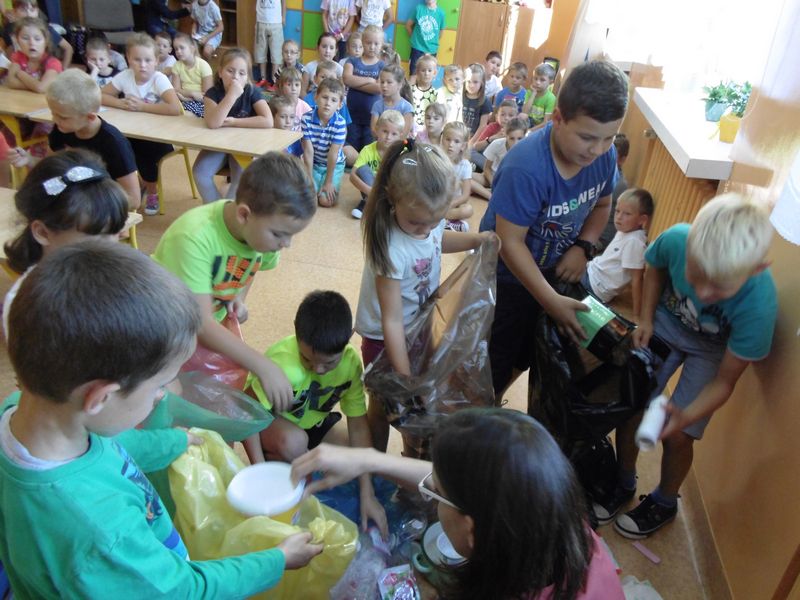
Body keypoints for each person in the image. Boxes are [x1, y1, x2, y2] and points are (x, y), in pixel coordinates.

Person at [0, 240, 323, 598]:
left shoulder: (23, 411)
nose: (162, 396)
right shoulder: (102, 531)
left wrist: (176, 440)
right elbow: (183, 590)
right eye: (158, 387)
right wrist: (276, 560)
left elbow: (113, 446)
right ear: (100, 397)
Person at [292, 408, 625, 600]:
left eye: (437, 494)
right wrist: (367, 459)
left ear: (473, 531)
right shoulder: (550, 516)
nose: (431, 491)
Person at [593, 193, 777, 539]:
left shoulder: (759, 308)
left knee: (680, 435)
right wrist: (647, 318)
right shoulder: (676, 239)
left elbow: (724, 382)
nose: (704, 294)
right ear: (689, 244)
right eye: (696, 276)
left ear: (755, 270)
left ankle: (664, 501)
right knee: (632, 404)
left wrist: (685, 416)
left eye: (720, 287)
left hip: (713, 349)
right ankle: (622, 480)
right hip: (667, 321)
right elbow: (655, 269)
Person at [479, 59, 629, 400]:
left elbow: (602, 205)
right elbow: (510, 243)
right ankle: (484, 407)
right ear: (557, 118)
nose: (598, 150)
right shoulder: (525, 167)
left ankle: (494, 398)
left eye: (609, 138)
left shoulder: (603, 157)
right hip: (505, 276)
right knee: (495, 355)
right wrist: (551, 301)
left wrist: (583, 246)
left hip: (554, 270)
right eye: (588, 137)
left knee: (527, 353)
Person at [152, 153, 317, 436]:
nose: (287, 244)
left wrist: (237, 296)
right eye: (280, 234)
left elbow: (251, 266)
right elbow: (201, 325)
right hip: (159, 335)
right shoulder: (194, 237)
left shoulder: (260, 237)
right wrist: (263, 365)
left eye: (292, 235)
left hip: (193, 333)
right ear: (244, 214)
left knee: (206, 416)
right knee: (167, 411)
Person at [355, 139, 490, 452]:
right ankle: (375, 462)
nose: (425, 229)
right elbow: (391, 320)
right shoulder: (391, 247)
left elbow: (438, 239)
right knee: (384, 405)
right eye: (416, 223)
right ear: (392, 199)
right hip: (383, 339)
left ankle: (410, 455)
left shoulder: (428, 219)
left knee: (414, 407)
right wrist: (405, 378)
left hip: (417, 326)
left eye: (435, 220)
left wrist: (477, 239)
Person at [244, 290, 388, 535]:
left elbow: (357, 425)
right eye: (307, 359)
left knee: (354, 453)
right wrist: (259, 472)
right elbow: (247, 413)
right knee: (294, 442)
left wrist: (368, 493)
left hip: (315, 420)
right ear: (297, 334)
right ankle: (277, 459)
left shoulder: (350, 363)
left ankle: (303, 460)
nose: (318, 370)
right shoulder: (283, 364)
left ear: (348, 339)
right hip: (276, 424)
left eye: (329, 363)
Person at [2, 149, 128, 337]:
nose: (111, 247)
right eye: (97, 238)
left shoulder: (109, 275)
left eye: (115, 232)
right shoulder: (31, 307)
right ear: (43, 233)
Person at [8, 70, 141, 210]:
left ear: (90, 117)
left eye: (63, 117)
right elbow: (51, 167)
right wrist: (29, 159)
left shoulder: (114, 144)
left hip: (101, 209)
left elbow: (134, 200)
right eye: (53, 113)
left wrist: (85, 200)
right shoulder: (62, 129)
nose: (55, 120)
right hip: (73, 203)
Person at [101, 33, 183, 216]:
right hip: (132, 133)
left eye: (148, 60)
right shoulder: (125, 76)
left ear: (156, 61)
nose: (142, 65)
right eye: (137, 60)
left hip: (160, 138)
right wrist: (120, 103)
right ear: (128, 59)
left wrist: (143, 107)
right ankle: (126, 188)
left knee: (145, 151)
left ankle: (152, 190)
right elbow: (100, 95)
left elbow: (175, 108)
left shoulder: (159, 79)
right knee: (114, 146)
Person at [193, 47, 272, 203]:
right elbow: (213, 123)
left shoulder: (252, 91)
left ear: (247, 77)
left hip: (243, 146)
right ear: (220, 72)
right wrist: (231, 95)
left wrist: (235, 122)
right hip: (218, 145)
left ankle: (228, 211)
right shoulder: (212, 93)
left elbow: (268, 120)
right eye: (230, 71)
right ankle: (216, 209)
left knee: (241, 178)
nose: (235, 77)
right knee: (200, 172)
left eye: (242, 73)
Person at [582, 188, 654, 318]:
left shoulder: (634, 242)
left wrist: (637, 315)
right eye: (617, 211)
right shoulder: (626, 230)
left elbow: (637, 279)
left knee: (556, 280)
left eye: (627, 214)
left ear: (642, 219)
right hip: (592, 272)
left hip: (595, 286)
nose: (619, 217)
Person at [301, 78, 347, 207]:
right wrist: (309, 178)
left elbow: (333, 154)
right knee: (309, 197)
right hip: (315, 163)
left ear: (340, 105)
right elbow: (308, 151)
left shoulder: (340, 123)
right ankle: (315, 182)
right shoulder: (306, 119)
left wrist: (328, 182)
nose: (328, 103)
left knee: (325, 201)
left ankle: (330, 183)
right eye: (325, 97)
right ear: (316, 97)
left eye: (333, 100)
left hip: (334, 165)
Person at [350, 108, 404, 219]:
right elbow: (352, 176)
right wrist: (371, 192)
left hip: (389, 190)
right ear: (377, 129)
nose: (388, 137)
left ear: (400, 135)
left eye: (394, 134)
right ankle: (371, 202)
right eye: (385, 131)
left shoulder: (401, 152)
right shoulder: (367, 150)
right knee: (362, 169)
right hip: (370, 188)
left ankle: (377, 205)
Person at [342, 25, 384, 151]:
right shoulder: (352, 61)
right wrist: (369, 80)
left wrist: (356, 83)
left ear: (381, 45)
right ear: (362, 42)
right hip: (352, 117)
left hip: (372, 119)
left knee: (367, 150)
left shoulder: (382, 66)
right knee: (352, 148)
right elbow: (347, 79)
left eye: (376, 44)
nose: (372, 47)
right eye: (368, 43)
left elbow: (379, 88)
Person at [470, 115, 527, 201]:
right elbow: (487, 169)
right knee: (465, 177)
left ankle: (484, 192)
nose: (516, 143)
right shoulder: (497, 144)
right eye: (512, 138)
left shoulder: (526, 150)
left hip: (509, 182)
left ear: (524, 137)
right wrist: (493, 183)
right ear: (506, 135)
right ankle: (491, 195)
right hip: (491, 178)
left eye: (519, 139)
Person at [2, 0, 72, 67]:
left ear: (37, 11)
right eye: (23, 10)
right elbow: (8, 55)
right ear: (14, 12)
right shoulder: (9, 30)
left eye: (32, 10)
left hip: (46, 68)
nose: (29, 14)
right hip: (22, 68)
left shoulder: (46, 29)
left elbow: (68, 48)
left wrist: (64, 68)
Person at [4, 16, 61, 93]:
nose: (31, 43)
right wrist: (34, 86)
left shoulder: (53, 63)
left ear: (46, 41)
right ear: (17, 40)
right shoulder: (17, 57)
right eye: (25, 38)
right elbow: (11, 82)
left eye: (37, 39)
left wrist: (19, 73)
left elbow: (41, 88)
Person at [597, 133, 631, 251]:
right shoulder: (601, 173)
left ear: (622, 159)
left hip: (601, 239)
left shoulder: (619, 184)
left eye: (612, 155)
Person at [170, 32, 213, 117]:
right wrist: (192, 94)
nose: (178, 51)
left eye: (182, 48)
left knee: (184, 114)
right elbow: (176, 89)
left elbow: (208, 95)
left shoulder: (203, 66)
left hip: (201, 102)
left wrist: (186, 97)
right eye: (176, 49)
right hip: (182, 98)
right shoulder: (176, 66)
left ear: (192, 49)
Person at [440, 121, 472, 232]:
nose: (451, 144)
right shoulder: (436, 159)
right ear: (442, 139)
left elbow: (465, 195)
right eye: (448, 139)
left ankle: (443, 221)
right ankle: (447, 223)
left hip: (453, 204)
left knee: (467, 210)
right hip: (436, 201)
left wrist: (450, 205)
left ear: (463, 146)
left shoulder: (465, 165)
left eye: (456, 141)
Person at [469, 98, 517, 172]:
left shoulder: (517, 131)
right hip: (489, 160)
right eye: (503, 115)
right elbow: (476, 147)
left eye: (511, 115)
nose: (506, 118)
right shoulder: (492, 127)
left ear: (516, 118)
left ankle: (493, 171)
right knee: (470, 151)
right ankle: (490, 170)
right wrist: (492, 138)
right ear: (497, 116)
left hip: (505, 162)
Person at [370, 63, 413, 137]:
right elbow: (374, 130)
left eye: (389, 82)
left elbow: (404, 134)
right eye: (382, 82)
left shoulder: (407, 107)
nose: (384, 85)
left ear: (400, 84)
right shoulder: (377, 105)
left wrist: (390, 141)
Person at [405, 0, 443, 79]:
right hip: (417, 48)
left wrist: (431, 43)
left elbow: (440, 32)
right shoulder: (419, 9)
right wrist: (415, 40)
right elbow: (408, 25)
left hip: (432, 50)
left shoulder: (441, 13)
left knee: (429, 76)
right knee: (413, 74)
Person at [302, 32, 344, 97]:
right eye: (324, 46)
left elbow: (342, 92)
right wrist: (309, 102)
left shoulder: (339, 69)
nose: (327, 51)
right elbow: (302, 91)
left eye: (331, 48)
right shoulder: (309, 67)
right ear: (317, 48)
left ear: (335, 51)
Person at [254, 0, 284, 87]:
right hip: (260, 22)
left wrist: (283, 17)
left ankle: (274, 80)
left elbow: (284, 2)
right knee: (260, 51)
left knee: (276, 53)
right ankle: (262, 78)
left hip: (276, 23)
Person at [462, 62, 492, 144]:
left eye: (475, 82)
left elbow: (483, 126)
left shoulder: (485, 101)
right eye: (468, 81)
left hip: (473, 140)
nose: (471, 85)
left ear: (481, 83)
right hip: (458, 137)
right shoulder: (460, 97)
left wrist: (471, 142)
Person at [522, 62, 556, 129]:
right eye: (535, 78)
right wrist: (533, 94)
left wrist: (530, 131)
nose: (537, 82)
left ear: (550, 82)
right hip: (525, 125)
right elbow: (524, 112)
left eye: (542, 80)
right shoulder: (529, 92)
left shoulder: (551, 98)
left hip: (538, 129)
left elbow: (546, 123)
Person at [277, 66, 312, 131]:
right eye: (289, 84)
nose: (293, 88)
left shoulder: (305, 107)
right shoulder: (277, 105)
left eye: (297, 85)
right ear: (281, 86)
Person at [410, 52, 438, 131]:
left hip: (427, 130)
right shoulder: (411, 91)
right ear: (417, 72)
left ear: (434, 73)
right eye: (423, 70)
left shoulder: (436, 93)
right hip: (411, 129)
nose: (426, 73)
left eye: (429, 70)